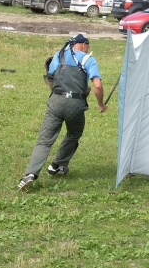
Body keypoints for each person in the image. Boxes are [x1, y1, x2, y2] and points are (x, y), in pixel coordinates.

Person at [17, 34, 107, 191]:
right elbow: (97, 86)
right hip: (76, 105)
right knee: (74, 134)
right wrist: (101, 104)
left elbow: (50, 79)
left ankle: (30, 174)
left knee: (44, 140)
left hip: (56, 102)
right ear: (84, 45)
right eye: (88, 46)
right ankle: (57, 165)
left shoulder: (59, 56)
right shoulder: (88, 60)